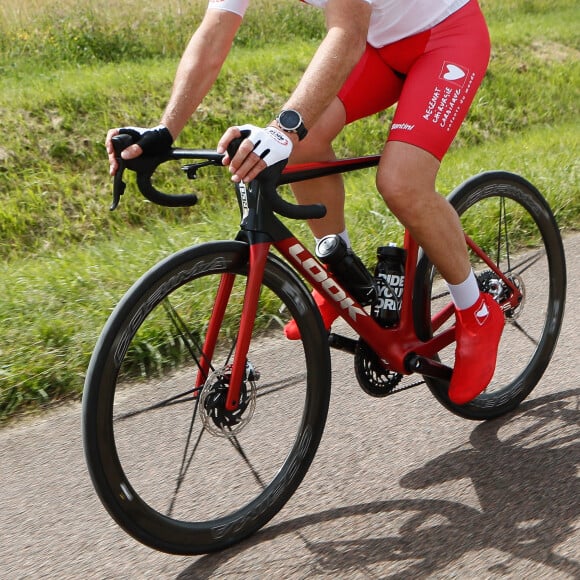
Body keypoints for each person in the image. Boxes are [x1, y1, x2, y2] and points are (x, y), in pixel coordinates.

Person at [106, 0, 504, 405]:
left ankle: (477, 311)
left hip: (446, 38)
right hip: (379, 49)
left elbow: (346, 34)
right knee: (301, 145)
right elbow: (214, 34)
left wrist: (283, 129)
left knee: (401, 182)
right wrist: (164, 129)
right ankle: (341, 271)